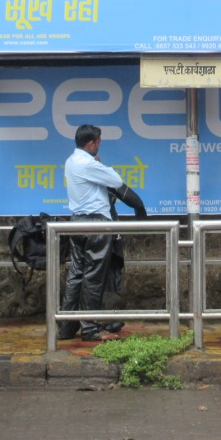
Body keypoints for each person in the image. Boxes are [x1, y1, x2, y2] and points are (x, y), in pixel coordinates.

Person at [59, 124, 146, 342]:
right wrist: (100, 165)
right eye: (98, 142)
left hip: (76, 223)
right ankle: (90, 328)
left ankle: (66, 327)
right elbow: (116, 181)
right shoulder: (88, 164)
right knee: (93, 278)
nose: (99, 145)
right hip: (96, 225)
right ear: (91, 143)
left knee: (76, 276)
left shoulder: (71, 161)